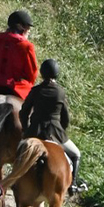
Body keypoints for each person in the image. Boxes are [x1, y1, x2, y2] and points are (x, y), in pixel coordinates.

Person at [20, 59, 84, 194]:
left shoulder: (36, 90)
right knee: (76, 154)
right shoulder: (60, 92)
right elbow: (65, 118)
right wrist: (62, 130)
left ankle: (16, 183)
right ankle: (72, 185)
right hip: (55, 132)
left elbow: (24, 111)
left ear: (42, 73)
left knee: (19, 154)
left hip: (34, 131)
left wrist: (26, 130)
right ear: (57, 74)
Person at [0, 10, 38, 100]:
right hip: (17, 88)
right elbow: (32, 74)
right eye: (28, 28)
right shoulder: (26, 46)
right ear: (21, 27)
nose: (29, 31)